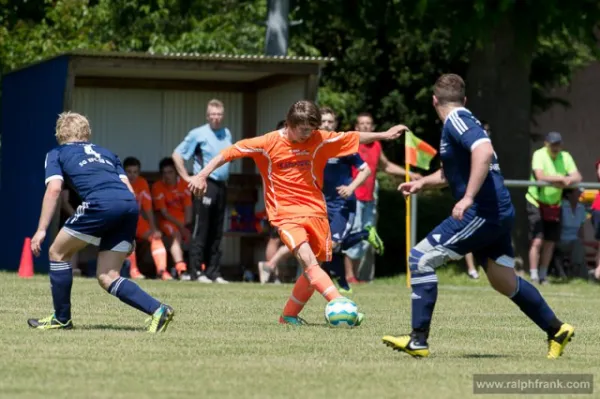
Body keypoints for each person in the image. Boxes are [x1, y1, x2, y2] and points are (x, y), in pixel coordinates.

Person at [382, 74, 574, 359]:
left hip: (482, 212)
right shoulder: (461, 123)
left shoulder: (457, 120)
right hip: (497, 211)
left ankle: (418, 341)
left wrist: (468, 198)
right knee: (503, 281)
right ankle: (556, 329)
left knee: (420, 259)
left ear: (434, 101)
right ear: (465, 98)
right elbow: (453, 172)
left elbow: (483, 152)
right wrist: (423, 183)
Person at [188, 100, 405, 325]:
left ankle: (288, 316)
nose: (308, 135)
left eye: (312, 130)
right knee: (308, 260)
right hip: (285, 215)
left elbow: (353, 137)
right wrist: (202, 175)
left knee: (315, 268)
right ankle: (341, 303)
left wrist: (384, 135)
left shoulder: (318, 139)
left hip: (315, 211)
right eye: (304, 130)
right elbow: (229, 152)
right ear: (290, 123)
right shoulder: (268, 142)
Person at [28, 111, 174, 332]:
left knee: (57, 253)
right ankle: (158, 310)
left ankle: (61, 319)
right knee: (108, 275)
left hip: (100, 203)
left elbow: (54, 189)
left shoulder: (56, 153)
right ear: (87, 132)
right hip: (128, 205)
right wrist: (129, 232)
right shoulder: (107, 153)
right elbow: (129, 191)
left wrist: (41, 230)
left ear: (60, 133)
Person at [345, 113, 421, 284]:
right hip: (354, 198)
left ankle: (354, 277)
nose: (365, 126)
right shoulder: (351, 144)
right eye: (362, 124)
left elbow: (386, 166)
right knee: (354, 236)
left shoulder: (376, 146)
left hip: (369, 199)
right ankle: (349, 277)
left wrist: (409, 173)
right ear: (356, 128)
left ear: (372, 127)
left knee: (366, 238)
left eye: (368, 124)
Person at [172, 99, 232, 284]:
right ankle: (196, 271)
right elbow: (177, 154)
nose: (216, 118)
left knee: (217, 229)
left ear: (222, 116)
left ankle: (214, 272)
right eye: (212, 114)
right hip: (204, 184)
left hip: (222, 185)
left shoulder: (226, 133)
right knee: (202, 228)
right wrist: (187, 178)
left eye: (219, 114)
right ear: (207, 116)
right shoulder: (197, 134)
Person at [527, 132, 581, 284]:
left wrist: (566, 180)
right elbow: (540, 176)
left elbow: (577, 177)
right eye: (552, 144)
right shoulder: (539, 155)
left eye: (558, 144)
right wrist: (562, 179)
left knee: (550, 242)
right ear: (546, 144)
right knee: (537, 240)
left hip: (554, 203)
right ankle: (533, 275)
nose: (555, 147)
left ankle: (543, 275)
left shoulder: (566, 156)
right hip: (536, 201)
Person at [122, 157, 170, 280]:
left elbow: (148, 208)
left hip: (137, 221)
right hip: (121, 222)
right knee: (128, 239)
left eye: (135, 172)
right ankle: (133, 270)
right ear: (123, 171)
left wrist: (154, 228)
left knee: (156, 238)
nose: (132, 175)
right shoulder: (119, 183)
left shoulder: (142, 183)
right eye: (129, 171)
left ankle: (162, 271)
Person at [151, 157, 192, 280]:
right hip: (166, 221)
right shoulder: (157, 187)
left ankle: (198, 268)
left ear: (176, 172)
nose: (167, 176)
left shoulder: (184, 185)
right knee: (176, 235)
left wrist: (187, 227)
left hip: (183, 221)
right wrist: (181, 227)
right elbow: (164, 213)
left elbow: (189, 208)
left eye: (170, 172)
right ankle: (181, 269)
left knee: (194, 236)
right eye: (164, 173)